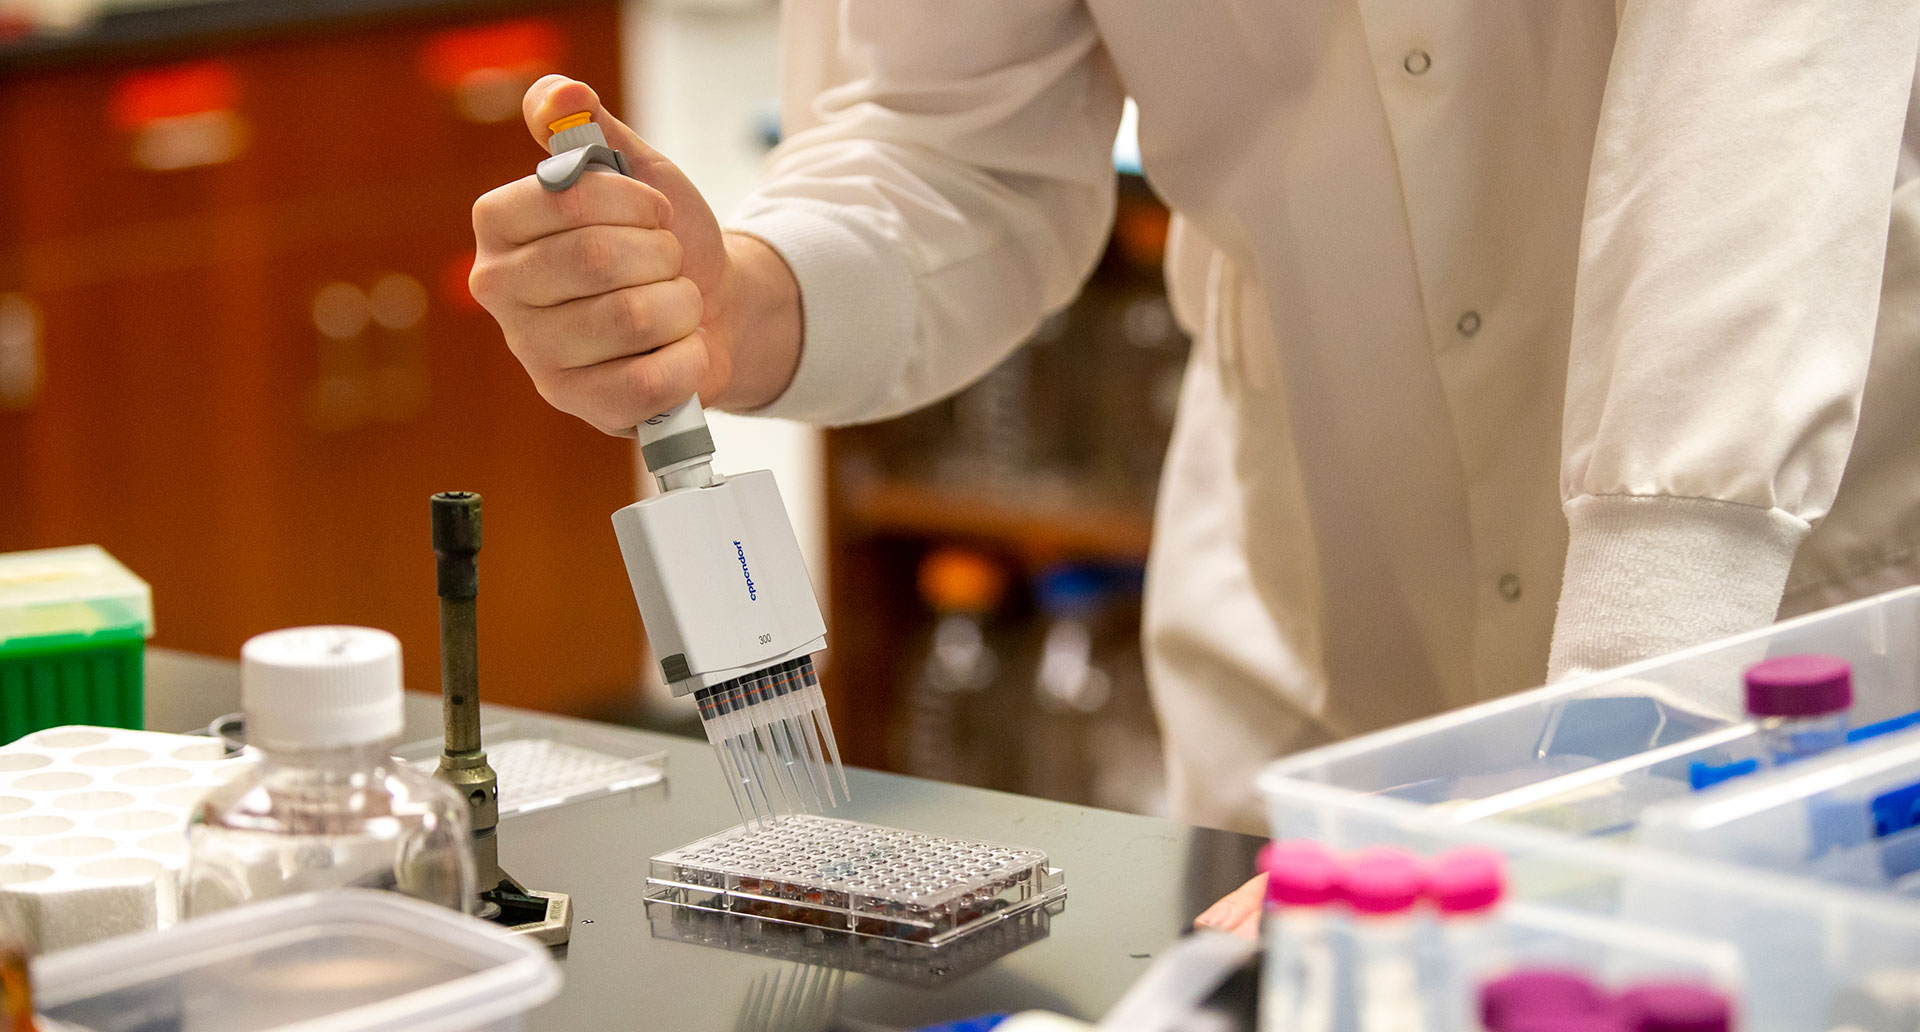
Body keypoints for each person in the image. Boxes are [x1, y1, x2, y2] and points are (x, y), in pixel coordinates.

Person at [472, 5, 1920, 932]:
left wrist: (1591, 789)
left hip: (1781, 604)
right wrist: (753, 298)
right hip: (1316, 629)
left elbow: (1758, 126)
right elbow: (944, 138)